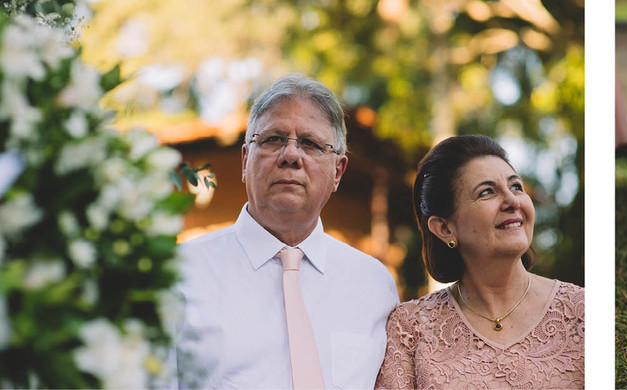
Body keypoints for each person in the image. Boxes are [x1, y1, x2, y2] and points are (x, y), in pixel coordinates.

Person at [173, 74, 399, 388]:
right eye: (273, 139)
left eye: (310, 143)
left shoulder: (375, 286)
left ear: (338, 171)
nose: (290, 156)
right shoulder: (180, 273)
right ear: (244, 160)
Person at [374, 134, 584, 389]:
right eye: (487, 192)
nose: (512, 202)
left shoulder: (582, 312)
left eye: (516, 186)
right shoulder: (411, 329)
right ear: (444, 228)